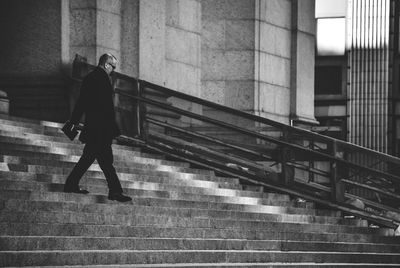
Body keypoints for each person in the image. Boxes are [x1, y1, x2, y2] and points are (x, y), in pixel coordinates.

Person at [63, 53, 132, 202]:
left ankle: (72, 184)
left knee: (93, 159)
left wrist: (73, 121)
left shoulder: (90, 78)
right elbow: (107, 109)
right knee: (105, 161)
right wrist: (113, 129)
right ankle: (115, 191)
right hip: (102, 130)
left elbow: (82, 102)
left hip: (95, 128)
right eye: (113, 66)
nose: (113, 70)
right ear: (107, 64)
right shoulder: (103, 79)